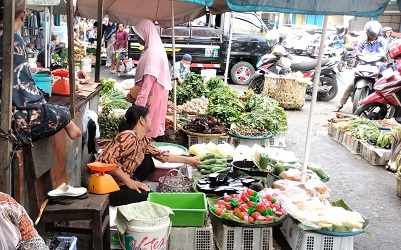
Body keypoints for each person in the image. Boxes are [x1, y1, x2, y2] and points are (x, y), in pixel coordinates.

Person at [0, 0, 82, 145]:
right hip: (6, 122)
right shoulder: (12, 39)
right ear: (23, 15)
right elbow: (26, 99)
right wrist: (66, 119)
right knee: (62, 112)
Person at [97, 105, 200, 206]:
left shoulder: (142, 140)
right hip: (109, 187)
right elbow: (107, 159)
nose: (151, 121)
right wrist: (130, 182)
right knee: (150, 197)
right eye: (149, 118)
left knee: (148, 163)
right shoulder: (129, 136)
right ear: (142, 120)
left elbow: (162, 155)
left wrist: (189, 160)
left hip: (123, 183)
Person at [127, 19, 171, 141]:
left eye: (139, 34)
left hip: (152, 96)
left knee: (148, 128)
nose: (138, 38)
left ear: (146, 33)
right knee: (157, 126)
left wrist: (138, 107)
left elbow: (148, 82)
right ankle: (158, 153)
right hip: (157, 94)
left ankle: (150, 155)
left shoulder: (152, 52)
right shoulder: (153, 48)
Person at [335, 21, 386, 112]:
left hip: (377, 66)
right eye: (371, 35)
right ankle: (340, 104)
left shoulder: (382, 41)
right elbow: (358, 51)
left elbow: (385, 51)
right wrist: (355, 54)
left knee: (384, 87)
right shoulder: (362, 41)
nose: (372, 37)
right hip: (364, 65)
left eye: (374, 35)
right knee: (351, 84)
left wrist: (385, 57)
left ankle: (384, 109)